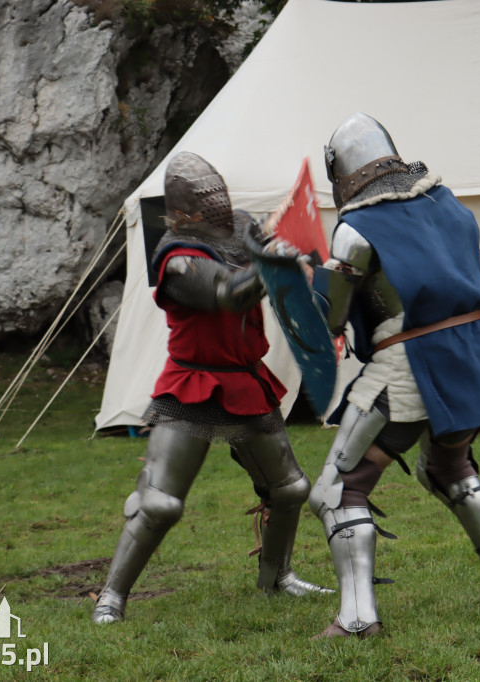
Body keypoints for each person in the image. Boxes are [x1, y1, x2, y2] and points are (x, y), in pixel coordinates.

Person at [308, 113, 480, 639]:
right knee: (447, 465)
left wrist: (302, 283)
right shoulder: (448, 204)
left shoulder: (356, 229)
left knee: (338, 490)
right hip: (470, 357)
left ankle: (358, 619)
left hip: (408, 364)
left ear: (342, 171)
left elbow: (328, 319)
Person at [91, 152, 331, 625]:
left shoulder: (241, 230)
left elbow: (276, 266)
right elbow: (226, 293)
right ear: (182, 213)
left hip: (247, 380)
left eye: (220, 197)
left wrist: (296, 260)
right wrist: (270, 264)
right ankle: (111, 597)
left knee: (289, 489)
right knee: (160, 503)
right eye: (207, 203)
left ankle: (276, 578)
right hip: (193, 385)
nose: (220, 208)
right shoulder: (177, 258)